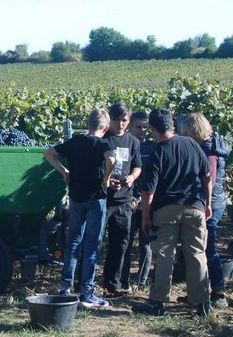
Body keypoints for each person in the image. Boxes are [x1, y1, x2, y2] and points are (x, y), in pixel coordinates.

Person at [132, 108, 213, 317]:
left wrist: (146, 217)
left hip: (166, 209)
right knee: (197, 254)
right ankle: (202, 303)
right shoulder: (192, 145)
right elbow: (207, 176)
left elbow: (148, 191)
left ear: (152, 129)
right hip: (194, 207)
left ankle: (157, 302)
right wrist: (208, 203)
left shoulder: (159, 152)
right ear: (172, 124)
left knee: (165, 254)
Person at [44, 109, 114, 308]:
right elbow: (111, 159)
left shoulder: (75, 142)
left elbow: (48, 154)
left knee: (73, 243)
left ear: (88, 123)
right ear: (106, 127)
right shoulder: (102, 144)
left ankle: (65, 288)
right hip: (96, 198)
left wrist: (64, 171)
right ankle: (87, 293)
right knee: (92, 245)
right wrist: (106, 178)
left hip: (76, 198)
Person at [181, 113, 231, 309]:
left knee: (208, 249)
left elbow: (208, 178)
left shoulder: (209, 151)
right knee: (202, 249)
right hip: (212, 202)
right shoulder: (211, 146)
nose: (184, 136)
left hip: (210, 205)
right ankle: (200, 292)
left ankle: (218, 293)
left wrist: (207, 206)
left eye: (186, 133)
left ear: (195, 132)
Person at [101, 102, 141, 297]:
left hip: (124, 201)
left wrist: (132, 177)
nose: (120, 123)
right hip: (104, 199)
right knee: (95, 240)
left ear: (129, 120)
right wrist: (106, 182)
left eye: (124, 120)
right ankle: (83, 282)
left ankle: (113, 283)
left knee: (121, 243)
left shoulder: (133, 142)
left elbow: (137, 165)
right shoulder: (104, 140)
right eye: (116, 119)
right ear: (110, 119)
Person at [122, 109, 157, 290]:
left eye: (145, 127)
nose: (142, 130)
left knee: (146, 244)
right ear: (130, 127)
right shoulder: (126, 146)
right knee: (126, 242)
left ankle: (141, 283)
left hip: (147, 202)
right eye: (138, 127)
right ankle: (124, 281)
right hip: (129, 201)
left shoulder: (153, 148)